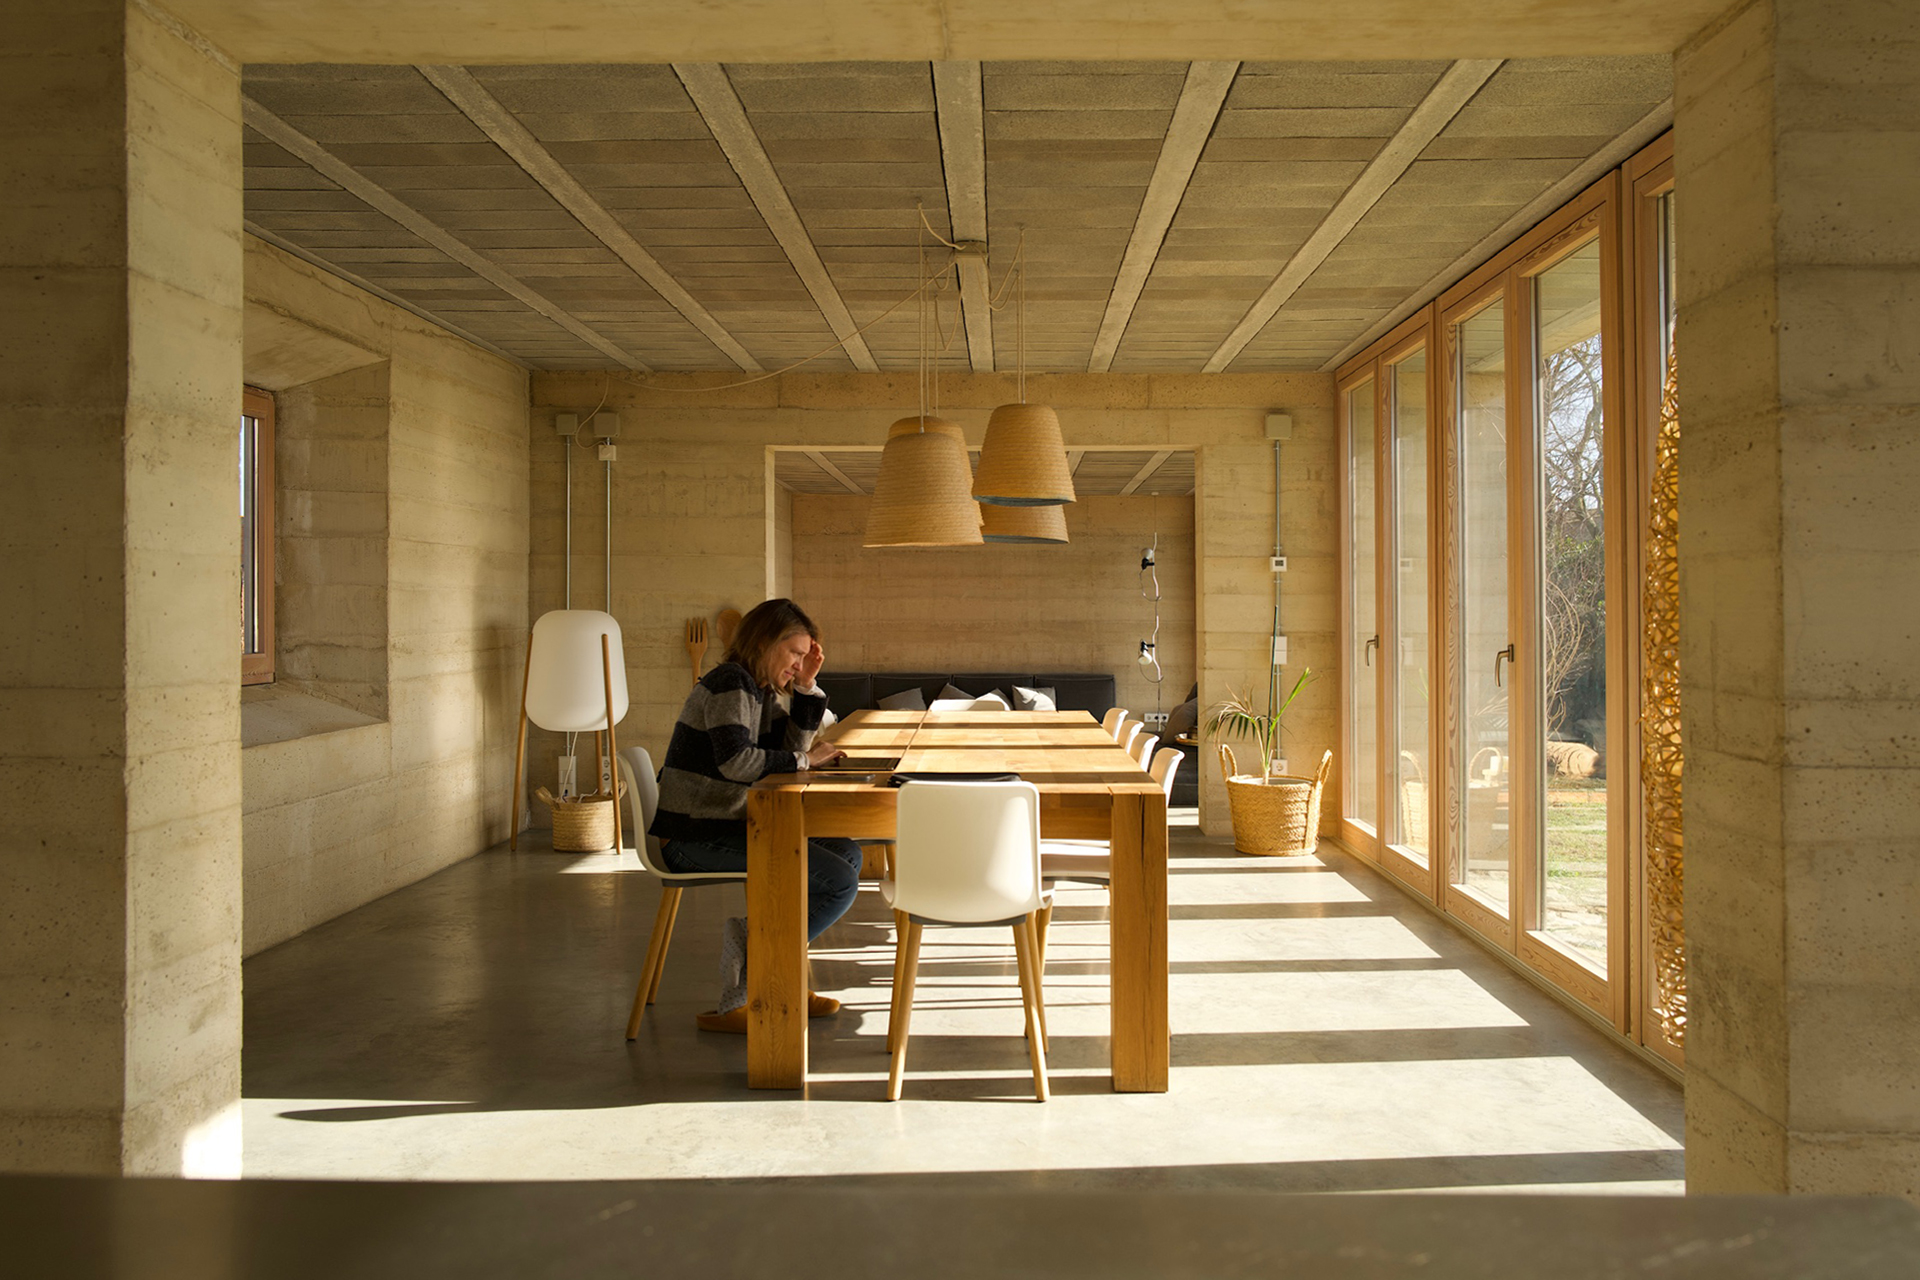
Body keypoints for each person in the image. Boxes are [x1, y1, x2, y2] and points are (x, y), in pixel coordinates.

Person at [649, 598, 860, 1033]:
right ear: (764, 642)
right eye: (794, 654)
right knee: (838, 881)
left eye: (804, 657)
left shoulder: (756, 688)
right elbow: (736, 763)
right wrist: (805, 762)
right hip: (693, 837)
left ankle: (772, 971)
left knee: (845, 850)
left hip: (723, 822)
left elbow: (789, 748)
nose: (799, 663)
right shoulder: (731, 683)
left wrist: (805, 688)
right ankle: (758, 966)